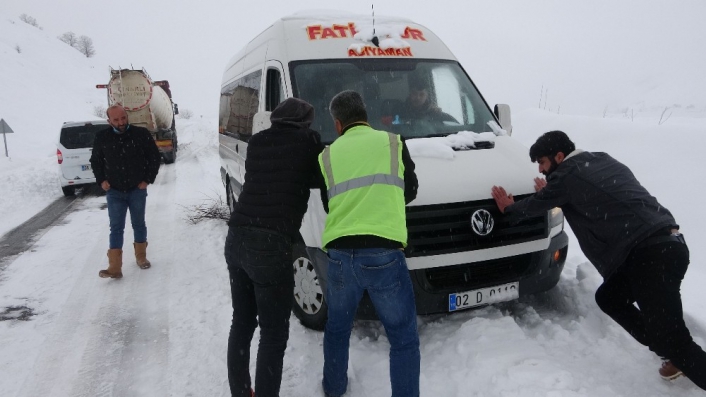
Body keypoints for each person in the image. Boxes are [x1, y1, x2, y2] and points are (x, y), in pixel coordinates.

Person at [490, 130, 706, 390]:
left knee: (675, 338)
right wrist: (555, 191)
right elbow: (581, 191)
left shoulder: (567, 178)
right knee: (610, 298)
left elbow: (534, 205)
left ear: (559, 156)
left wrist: (509, 208)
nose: (542, 170)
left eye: (543, 163)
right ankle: (671, 351)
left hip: (649, 257)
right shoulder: (601, 160)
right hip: (667, 246)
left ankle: (678, 353)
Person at [319, 90, 420, 397]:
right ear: (365, 114)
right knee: (402, 337)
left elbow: (329, 203)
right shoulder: (393, 142)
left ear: (338, 124)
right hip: (383, 253)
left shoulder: (326, 155)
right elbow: (411, 189)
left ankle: (334, 388)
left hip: (338, 255)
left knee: (337, 328)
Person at [223, 98, 323, 397]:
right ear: (305, 122)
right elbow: (320, 178)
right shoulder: (309, 141)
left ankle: (241, 392)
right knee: (273, 332)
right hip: (270, 244)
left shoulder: (258, 142)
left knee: (241, 322)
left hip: (237, 238)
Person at [90, 105, 161, 279]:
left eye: (123, 118)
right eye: (116, 120)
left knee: (138, 223)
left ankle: (141, 257)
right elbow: (96, 162)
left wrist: (147, 179)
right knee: (116, 227)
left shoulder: (141, 134)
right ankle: (114, 267)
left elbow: (154, 157)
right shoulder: (102, 137)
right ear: (109, 121)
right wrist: (102, 180)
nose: (121, 122)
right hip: (114, 191)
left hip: (136, 189)